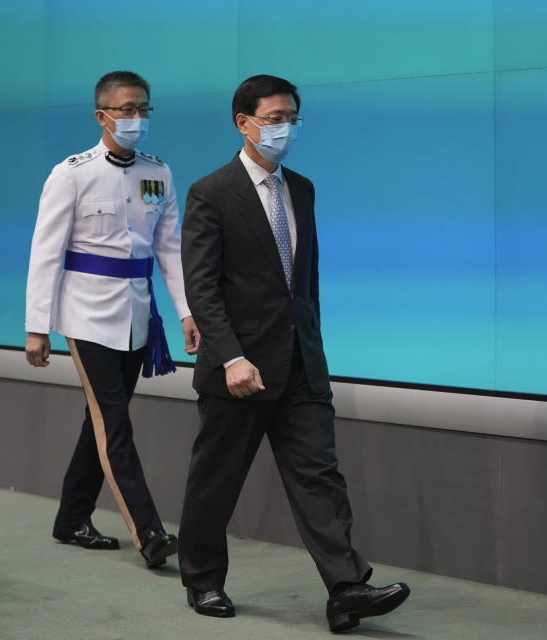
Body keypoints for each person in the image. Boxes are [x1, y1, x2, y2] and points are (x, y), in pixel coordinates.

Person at [177, 75, 409, 631]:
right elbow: (201, 287)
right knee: (218, 478)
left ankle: (346, 588)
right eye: (274, 117)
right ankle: (204, 580)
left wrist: (315, 347)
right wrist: (230, 355)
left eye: (292, 118)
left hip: (301, 363)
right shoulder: (211, 192)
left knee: (319, 476)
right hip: (240, 368)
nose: (284, 128)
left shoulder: (300, 188)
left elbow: (305, 282)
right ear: (244, 122)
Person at [25, 71, 200, 569]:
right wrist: (38, 325)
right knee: (114, 421)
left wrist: (187, 311)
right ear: (101, 115)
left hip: (138, 316)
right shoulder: (72, 173)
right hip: (85, 315)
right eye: (125, 109)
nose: (136, 118)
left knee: (100, 420)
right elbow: (45, 251)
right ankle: (148, 532)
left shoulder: (158, 173)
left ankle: (71, 517)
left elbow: (171, 248)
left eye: (143, 108)